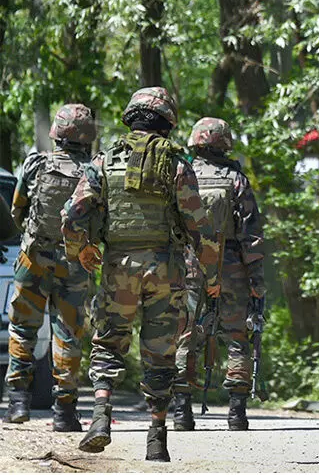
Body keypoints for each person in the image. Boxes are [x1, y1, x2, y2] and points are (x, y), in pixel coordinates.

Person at [61, 87, 219, 461]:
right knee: (160, 353)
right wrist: (212, 278)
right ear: (168, 121)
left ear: (131, 117)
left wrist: (81, 249)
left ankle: (100, 418)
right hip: (166, 269)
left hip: (118, 267)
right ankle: (156, 438)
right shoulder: (179, 166)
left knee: (108, 343)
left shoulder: (102, 162)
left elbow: (72, 215)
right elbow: (200, 227)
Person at [3, 104, 94, 431]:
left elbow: (17, 211)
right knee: (68, 334)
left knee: (23, 328)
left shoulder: (35, 164)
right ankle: (64, 413)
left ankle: (17, 404)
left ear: (56, 133)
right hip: (74, 262)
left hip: (33, 258)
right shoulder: (94, 171)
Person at [171, 117, 265, 432]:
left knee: (187, 336)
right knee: (238, 337)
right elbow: (251, 235)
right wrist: (257, 281)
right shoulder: (236, 180)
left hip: (189, 267)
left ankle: (182, 412)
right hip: (232, 267)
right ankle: (236, 413)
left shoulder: (181, 175)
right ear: (224, 143)